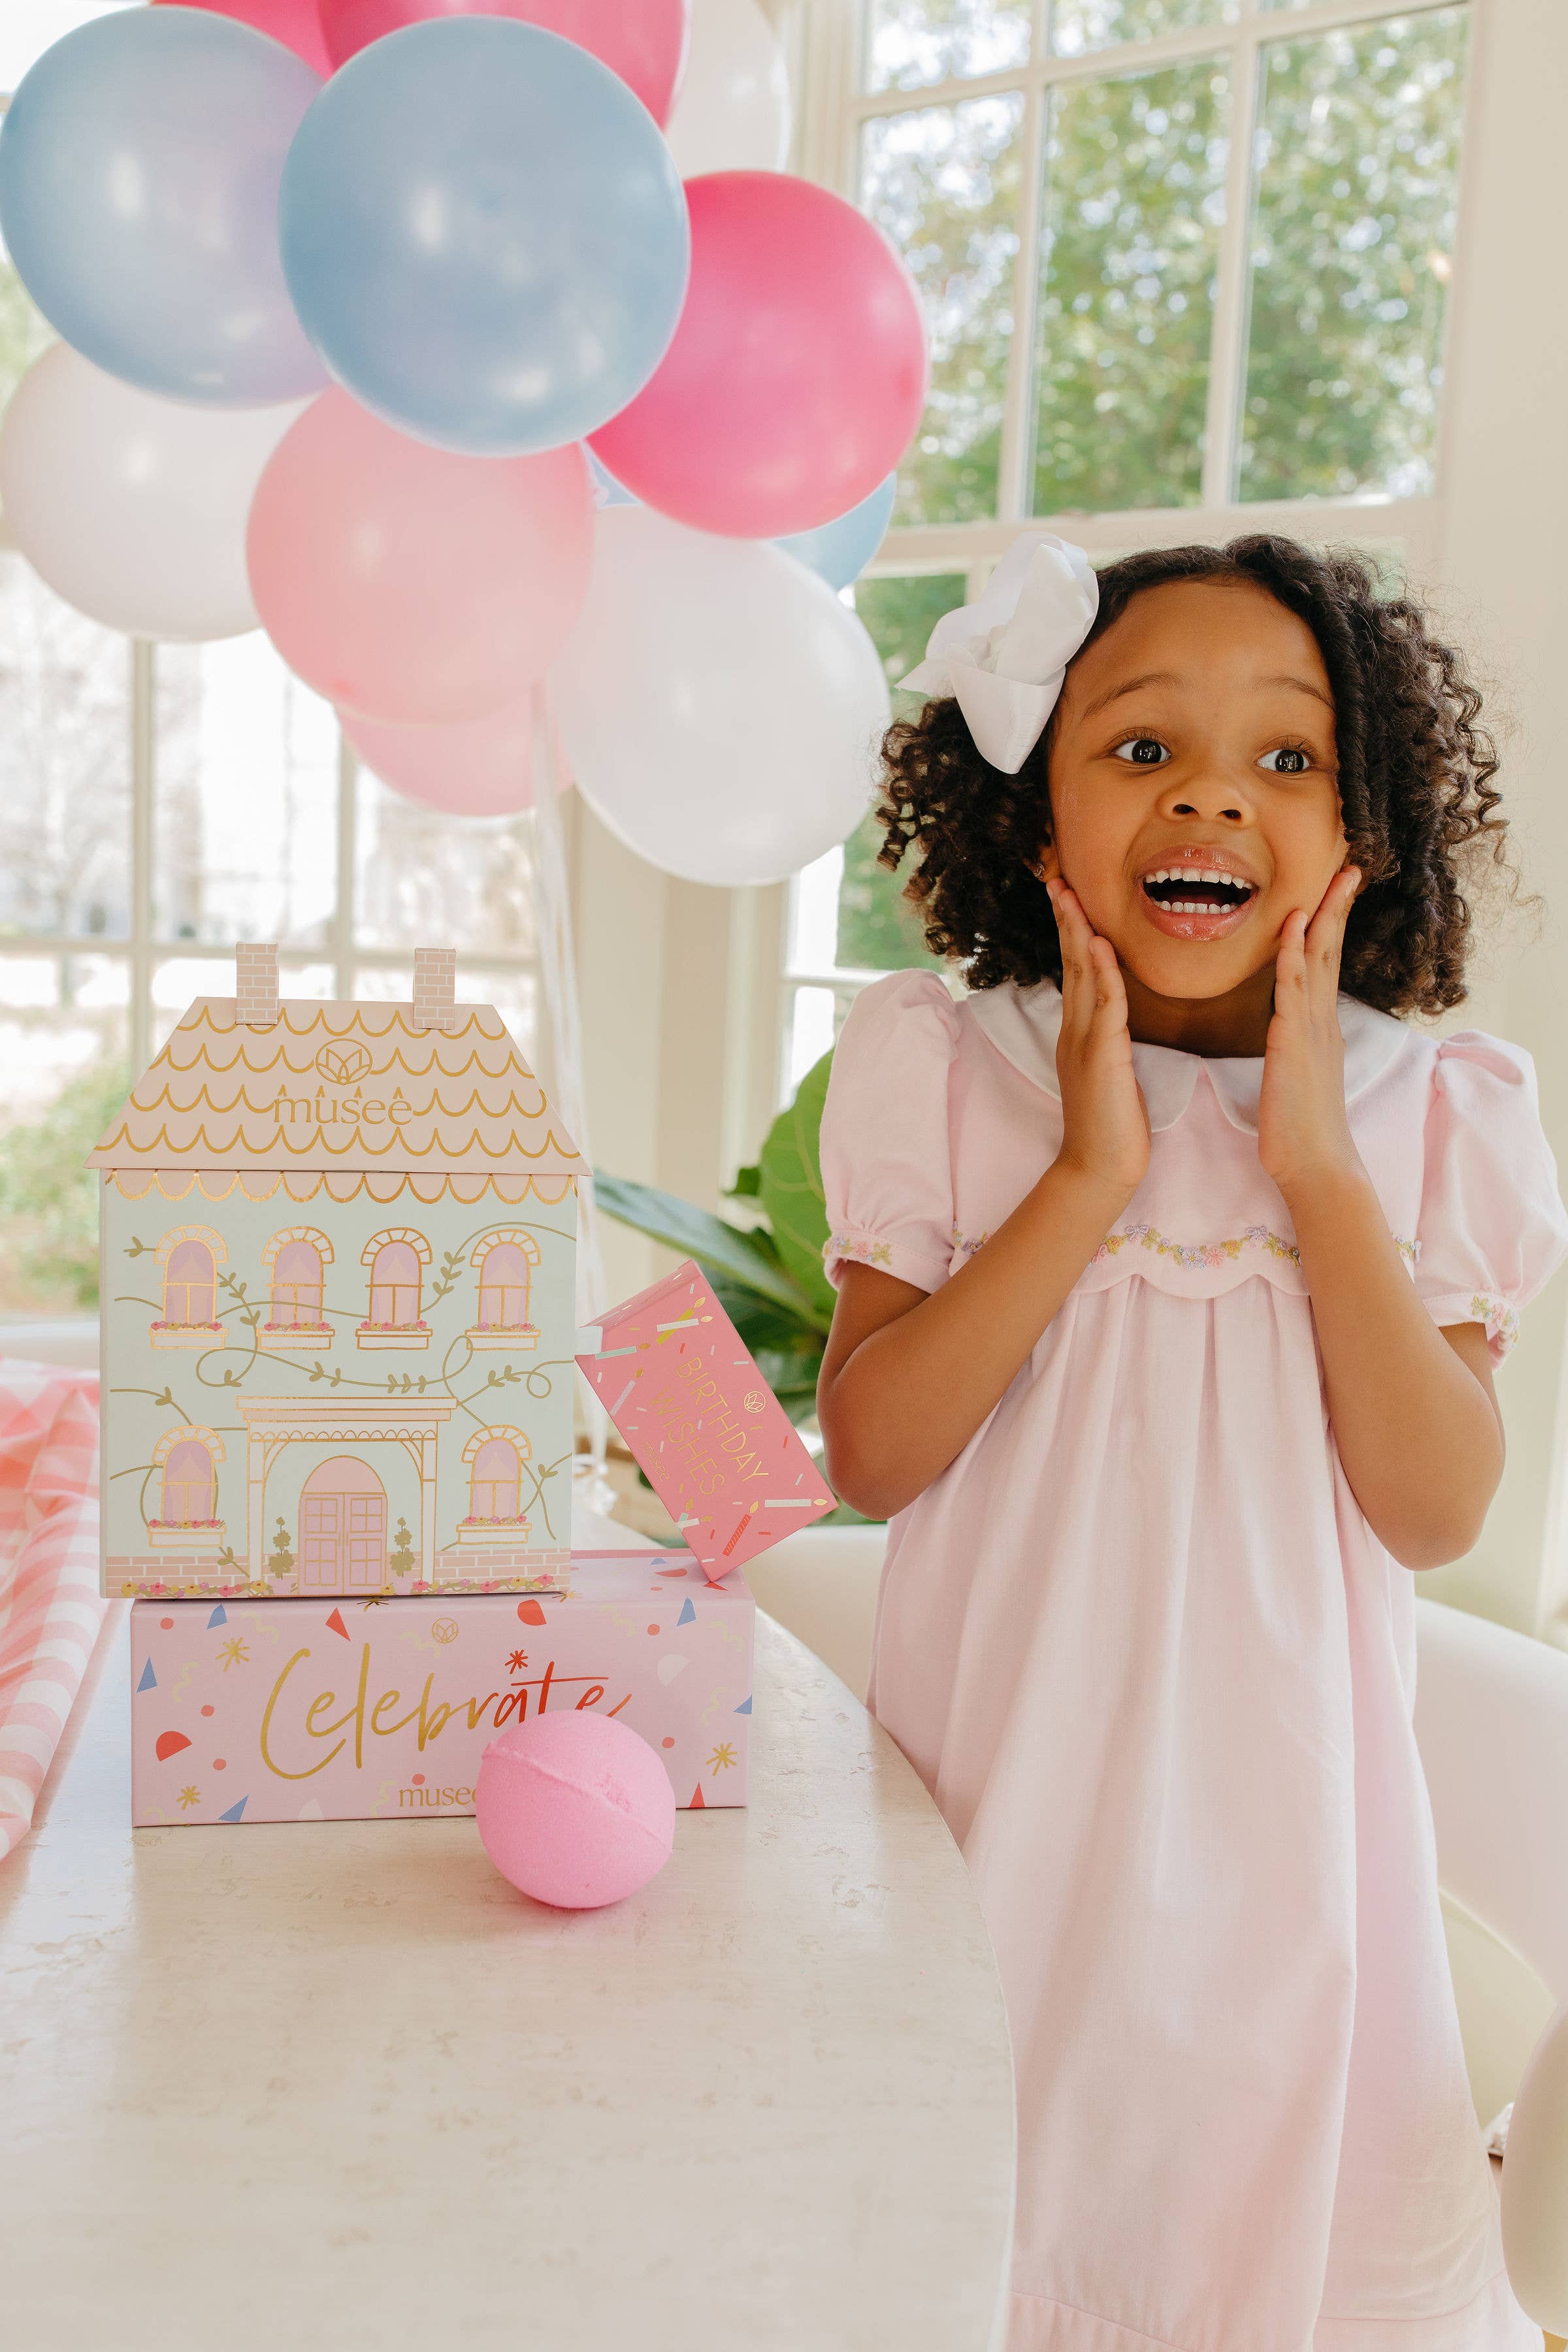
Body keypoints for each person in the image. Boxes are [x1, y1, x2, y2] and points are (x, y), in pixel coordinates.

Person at [815, 532, 1568, 2352]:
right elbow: (873, 1458)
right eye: (1142, 746)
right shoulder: (947, 1069)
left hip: (1287, 1895)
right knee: (974, 2253)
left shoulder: (1431, 1112)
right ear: (1037, 812)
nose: (1212, 793)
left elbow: (1434, 1507)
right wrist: (1091, 1172)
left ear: (1367, 825)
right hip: (990, 1855)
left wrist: (1316, 1166)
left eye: (1286, 756)